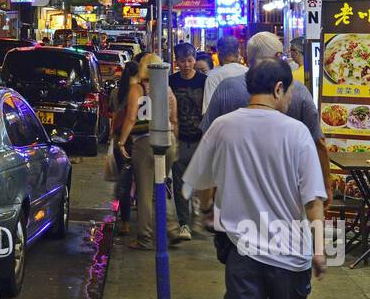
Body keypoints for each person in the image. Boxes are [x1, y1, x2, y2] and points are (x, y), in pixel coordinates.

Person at [183, 58, 327, 299]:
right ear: (278, 89)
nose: (291, 99)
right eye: (290, 91)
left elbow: (201, 181)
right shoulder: (296, 133)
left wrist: (206, 211)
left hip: (242, 251)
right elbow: (313, 200)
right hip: (290, 253)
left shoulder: (222, 126)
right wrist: (320, 250)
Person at [194, 32, 330, 231]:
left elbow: (208, 147)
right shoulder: (297, 91)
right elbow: (319, 143)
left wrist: (207, 202)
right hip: (287, 208)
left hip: (236, 210)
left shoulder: (226, 89)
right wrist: (325, 185)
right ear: (276, 57)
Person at [117, 52, 182, 251]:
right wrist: (174, 142)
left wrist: (121, 142)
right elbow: (174, 119)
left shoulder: (138, 88)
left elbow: (130, 118)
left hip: (145, 143)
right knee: (162, 187)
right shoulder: (167, 90)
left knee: (145, 193)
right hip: (168, 141)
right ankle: (172, 229)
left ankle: (145, 238)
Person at [169, 42, 207, 241]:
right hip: (179, 139)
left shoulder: (204, 81)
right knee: (180, 184)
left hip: (201, 140)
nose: (186, 65)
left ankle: (198, 217)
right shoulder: (171, 81)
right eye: (182, 61)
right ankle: (184, 223)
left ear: (195, 60)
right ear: (177, 62)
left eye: (190, 61)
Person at [109, 60, 141, 236]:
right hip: (136, 140)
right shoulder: (140, 92)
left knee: (125, 181)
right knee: (141, 181)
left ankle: (125, 222)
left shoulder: (116, 92)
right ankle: (140, 219)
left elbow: (113, 115)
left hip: (119, 142)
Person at [202, 35, 247, 115]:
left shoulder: (212, 76)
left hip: (222, 125)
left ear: (219, 53)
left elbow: (208, 112)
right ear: (238, 52)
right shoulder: (250, 73)